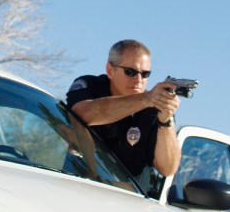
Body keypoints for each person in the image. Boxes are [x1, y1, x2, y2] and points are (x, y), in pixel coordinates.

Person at [66, 39, 182, 188]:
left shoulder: (155, 106)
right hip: (77, 188)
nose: (138, 80)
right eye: (130, 72)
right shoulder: (91, 86)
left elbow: (167, 169)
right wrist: (145, 99)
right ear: (110, 70)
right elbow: (82, 114)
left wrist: (165, 122)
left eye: (145, 74)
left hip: (127, 199)